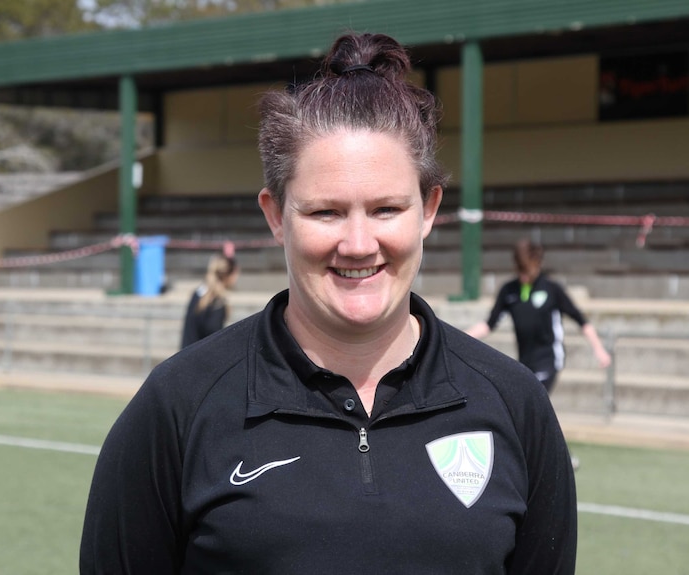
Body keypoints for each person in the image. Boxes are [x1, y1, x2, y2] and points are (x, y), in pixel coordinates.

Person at [81, 32, 576, 574]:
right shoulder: (177, 407)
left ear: (429, 209)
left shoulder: (515, 404)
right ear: (275, 215)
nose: (359, 244)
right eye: (325, 213)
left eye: (387, 209)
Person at [466, 238, 613, 392]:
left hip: (548, 359)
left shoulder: (551, 289)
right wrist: (458, 337)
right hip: (524, 362)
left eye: (527, 270)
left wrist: (599, 350)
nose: (523, 276)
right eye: (520, 270)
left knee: (533, 398)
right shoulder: (509, 290)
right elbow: (488, 324)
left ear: (538, 264)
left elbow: (581, 321)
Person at [180, 252, 239, 349]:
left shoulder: (198, 294)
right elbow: (214, 339)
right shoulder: (218, 304)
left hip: (185, 356)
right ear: (229, 276)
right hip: (199, 360)